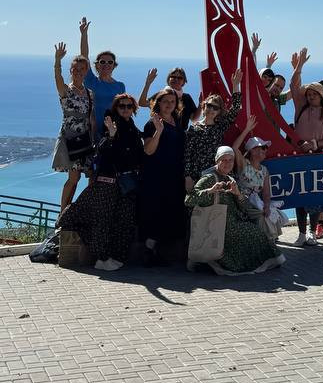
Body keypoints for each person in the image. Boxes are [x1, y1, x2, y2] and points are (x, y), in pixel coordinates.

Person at [57, 94, 144, 271]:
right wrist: (111, 135)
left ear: (133, 109)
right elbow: (103, 148)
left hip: (126, 184)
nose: (125, 109)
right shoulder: (112, 125)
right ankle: (101, 257)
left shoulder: (132, 127)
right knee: (101, 220)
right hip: (108, 182)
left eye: (129, 106)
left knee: (123, 220)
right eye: (121, 106)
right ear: (116, 108)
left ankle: (113, 256)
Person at [185, 146, 284, 276]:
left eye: (230, 160)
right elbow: (189, 200)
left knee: (256, 232)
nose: (227, 163)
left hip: (232, 222)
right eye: (224, 160)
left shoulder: (230, 179)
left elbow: (245, 207)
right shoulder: (209, 178)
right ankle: (221, 263)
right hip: (215, 224)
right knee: (246, 233)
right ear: (217, 161)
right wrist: (210, 191)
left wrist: (238, 194)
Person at [290, 48, 323, 245]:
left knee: (315, 196)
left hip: (318, 158)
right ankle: (302, 233)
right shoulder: (301, 107)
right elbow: (294, 86)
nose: (310, 97)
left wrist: (315, 144)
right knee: (300, 196)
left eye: (314, 94)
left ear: (320, 96)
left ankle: (311, 232)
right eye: (308, 94)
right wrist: (299, 66)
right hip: (299, 157)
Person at [137, 87, 186, 265]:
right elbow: (148, 150)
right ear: (158, 103)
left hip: (174, 175)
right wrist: (158, 131)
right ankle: (148, 251)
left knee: (170, 211)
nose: (169, 104)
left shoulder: (176, 122)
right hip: (156, 175)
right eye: (165, 101)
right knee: (155, 212)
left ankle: (158, 252)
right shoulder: (152, 123)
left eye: (172, 101)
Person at [51, 42, 95, 212]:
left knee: (81, 177)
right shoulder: (66, 90)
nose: (78, 72)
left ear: (86, 71)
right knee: (74, 177)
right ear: (71, 70)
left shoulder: (89, 93)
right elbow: (58, 78)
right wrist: (57, 61)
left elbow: (91, 117)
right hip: (70, 137)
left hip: (84, 138)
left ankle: (69, 211)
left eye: (81, 69)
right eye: (75, 69)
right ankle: (63, 212)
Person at [184, 72, 244, 192]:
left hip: (217, 173)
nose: (211, 109)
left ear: (219, 112)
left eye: (215, 107)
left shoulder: (220, 126)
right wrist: (187, 176)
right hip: (198, 175)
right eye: (209, 105)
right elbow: (187, 154)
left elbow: (235, 108)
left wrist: (235, 86)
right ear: (204, 106)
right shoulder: (193, 128)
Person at [232, 134, 286, 242]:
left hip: (254, 202)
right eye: (263, 147)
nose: (266, 150)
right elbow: (234, 148)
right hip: (241, 200)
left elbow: (266, 193)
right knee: (262, 215)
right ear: (253, 150)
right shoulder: (244, 164)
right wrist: (247, 129)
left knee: (268, 212)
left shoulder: (264, 170)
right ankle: (267, 240)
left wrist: (267, 205)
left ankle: (268, 240)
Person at [79, 17, 126, 135]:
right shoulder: (91, 81)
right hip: (94, 130)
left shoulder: (120, 86)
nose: (106, 64)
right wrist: (84, 34)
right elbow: (84, 56)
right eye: (102, 62)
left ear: (114, 65)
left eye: (110, 62)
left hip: (115, 131)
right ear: (97, 65)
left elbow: (123, 110)